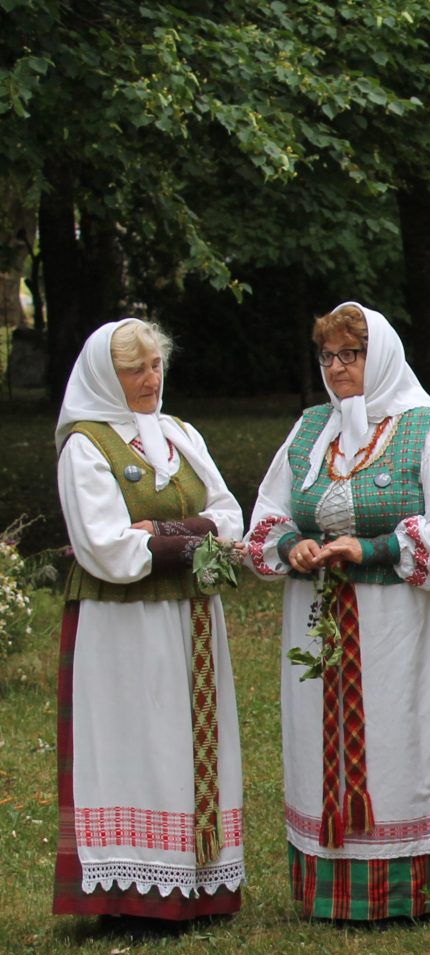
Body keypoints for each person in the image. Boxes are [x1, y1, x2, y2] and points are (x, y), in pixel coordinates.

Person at [245, 302, 430, 921]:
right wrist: (292, 544)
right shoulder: (310, 429)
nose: (337, 368)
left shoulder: (427, 429)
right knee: (324, 739)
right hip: (323, 615)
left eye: (351, 355)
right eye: (328, 356)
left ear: (379, 356)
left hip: (408, 627)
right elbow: (268, 512)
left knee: (408, 740)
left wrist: (377, 547)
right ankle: (335, 881)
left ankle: (419, 884)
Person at [53, 319, 246, 922]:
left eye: (156, 366)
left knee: (190, 741)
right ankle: (132, 894)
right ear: (107, 377)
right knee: (136, 738)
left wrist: (163, 532)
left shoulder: (180, 434)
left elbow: (232, 516)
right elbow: (108, 550)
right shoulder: (86, 444)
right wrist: (194, 538)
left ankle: (201, 881)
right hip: (123, 627)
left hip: (192, 619)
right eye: (135, 370)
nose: (150, 379)